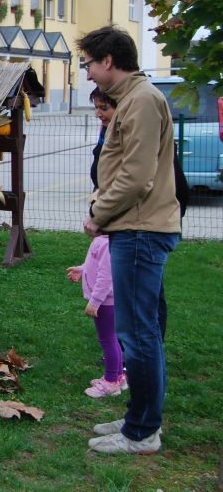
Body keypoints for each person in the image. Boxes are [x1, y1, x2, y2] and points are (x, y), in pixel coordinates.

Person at [79, 26, 181, 455]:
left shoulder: (140, 101)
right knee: (143, 332)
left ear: (108, 61)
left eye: (88, 64)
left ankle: (142, 432)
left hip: (139, 230)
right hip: (135, 227)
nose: (87, 74)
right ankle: (140, 419)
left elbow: (136, 177)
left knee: (137, 334)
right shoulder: (133, 100)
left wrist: (98, 214)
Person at [90, 86, 188, 342]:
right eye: (97, 108)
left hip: (144, 228)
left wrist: (98, 213)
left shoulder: (140, 136)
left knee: (149, 300)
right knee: (126, 297)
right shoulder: (107, 136)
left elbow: (148, 183)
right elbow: (100, 176)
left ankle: (146, 350)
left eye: (105, 108)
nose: (99, 114)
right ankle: (128, 353)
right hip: (121, 225)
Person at [66, 234, 125, 398]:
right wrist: (81, 269)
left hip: (105, 302)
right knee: (112, 338)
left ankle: (111, 382)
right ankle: (119, 377)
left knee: (107, 339)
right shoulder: (102, 240)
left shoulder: (106, 243)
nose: (86, 223)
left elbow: (106, 276)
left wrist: (95, 301)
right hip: (107, 301)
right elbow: (94, 265)